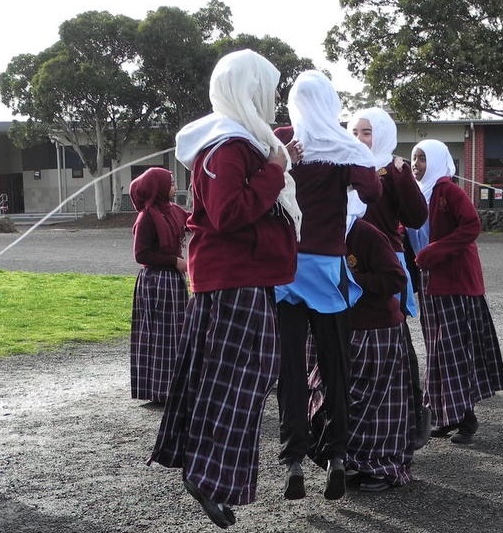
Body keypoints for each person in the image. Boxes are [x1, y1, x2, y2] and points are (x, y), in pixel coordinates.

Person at [146, 49, 300, 530]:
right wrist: (275, 170)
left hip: (244, 279)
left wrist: (278, 159)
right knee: (237, 382)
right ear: (247, 89)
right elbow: (229, 213)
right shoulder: (225, 147)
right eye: (265, 88)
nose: (270, 98)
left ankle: (207, 473)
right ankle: (205, 475)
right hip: (234, 281)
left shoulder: (240, 143)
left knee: (230, 381)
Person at [274, 70, 381, 501]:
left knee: (290, 370)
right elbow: (370, 192)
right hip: (328, 265)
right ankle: (338, 454)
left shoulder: (283, 140)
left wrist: (287, 159)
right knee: (336, 364)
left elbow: (262, 180)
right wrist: (358, 153)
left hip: (287, 267)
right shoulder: (343, 146)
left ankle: (293, 460)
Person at [307, 190, 414, 491]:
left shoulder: (364, 233)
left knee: (376, 404)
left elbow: (396, 279)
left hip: (376, 329)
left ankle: (382, 467)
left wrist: (353, 283)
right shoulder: (320, 237)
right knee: (332, 397)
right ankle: (349, 460)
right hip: (340, 328)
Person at [406, 139, 503, 445]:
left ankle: (466, 419)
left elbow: (471, 225)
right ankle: (446, 415)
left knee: (453, 351)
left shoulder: (448, 190)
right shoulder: (416, 195)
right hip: (430, 283)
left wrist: (436, 251)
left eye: (422, 159)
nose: (416, 165)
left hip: (454, 282)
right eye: (414, 158)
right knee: (437, 353)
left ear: (436, 160)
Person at [346, 107, 431, 448]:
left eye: (366, 132)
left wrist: (404, 176)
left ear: (381, 134)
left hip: (384, 262)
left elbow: (415, 216)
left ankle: (409, 423)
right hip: (345, 260)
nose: (359, 139)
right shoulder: (341, 164)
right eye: (354, 132)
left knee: (394, 341)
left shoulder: (392, 170)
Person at [128, 167, 190, 405]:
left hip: (173, 282)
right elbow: (141, 254)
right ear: (158, 187)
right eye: (171, 183)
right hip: (156, 283)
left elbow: (192, 221)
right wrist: (175, 261)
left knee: (175, 334)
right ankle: (158, 389)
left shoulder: (173, 211)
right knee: (159, 335)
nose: (174, 187)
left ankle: (175, 387)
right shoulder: (147, 217)